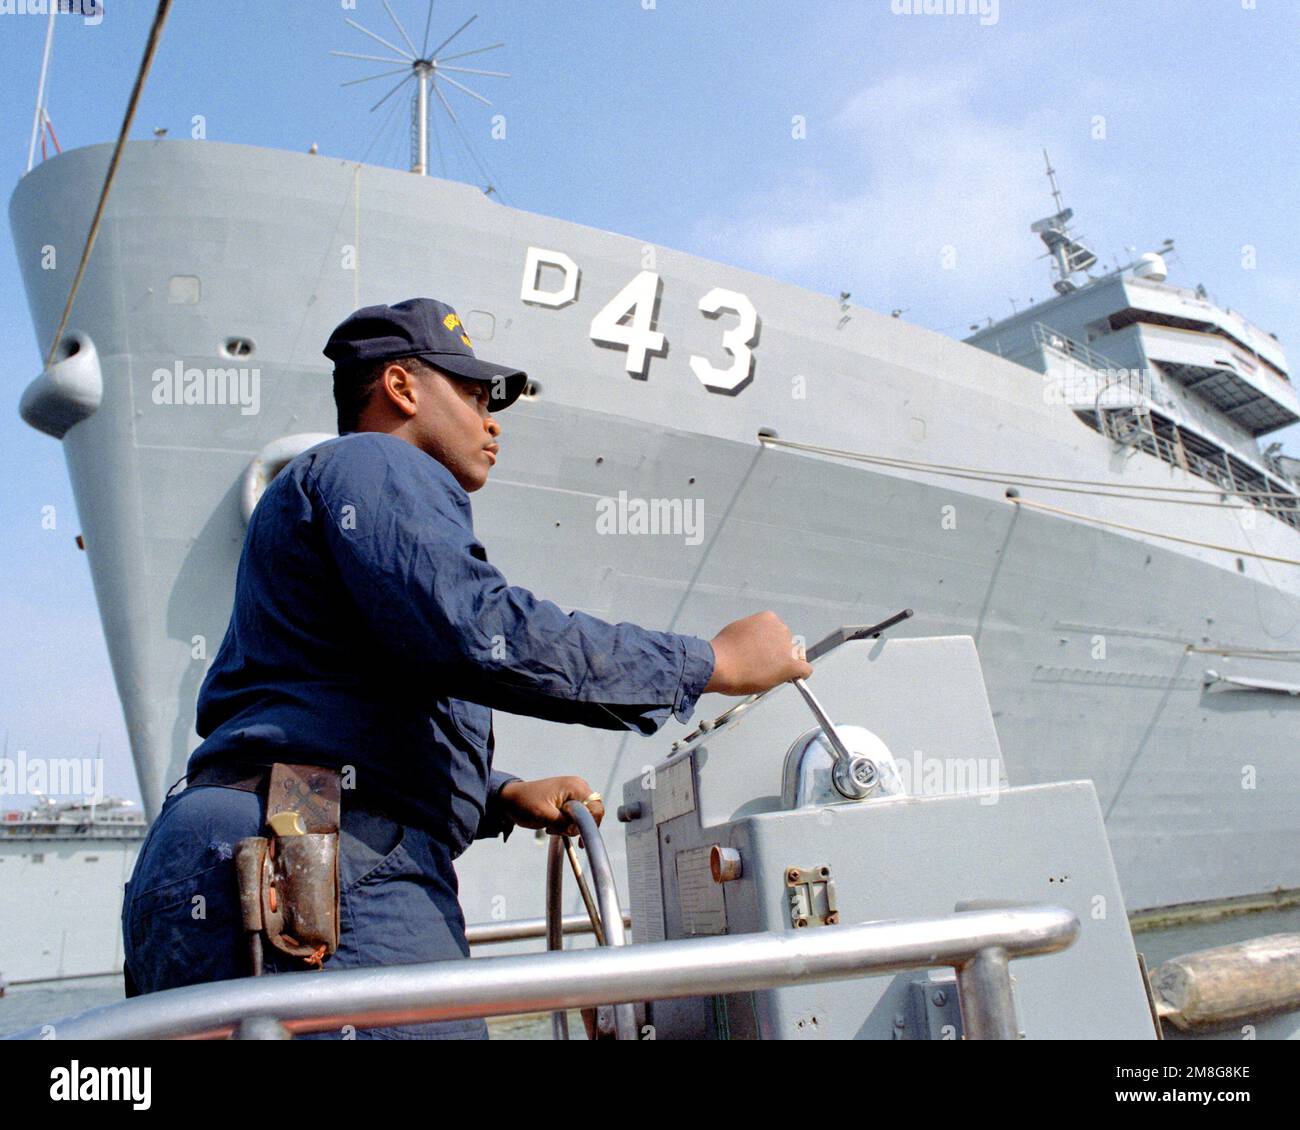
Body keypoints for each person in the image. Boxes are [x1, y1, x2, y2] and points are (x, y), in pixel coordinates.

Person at [121, 297, 812, 1039]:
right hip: (311, 857)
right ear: (402, 388)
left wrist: (501, 794)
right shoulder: (374, 460)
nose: (493, 422)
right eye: (477, 396)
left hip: (231, 853)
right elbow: (477, 629)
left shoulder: (321, 497)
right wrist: (711, 661)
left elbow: (330, 710)